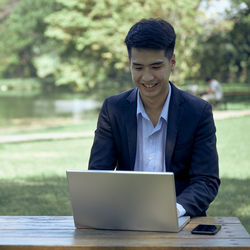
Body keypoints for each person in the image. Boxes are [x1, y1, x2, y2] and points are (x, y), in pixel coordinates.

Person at [88, 18, 220, 217]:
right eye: (138, 67)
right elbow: (98, 175)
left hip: (180, 220)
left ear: (172, 62)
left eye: (156, 67)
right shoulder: (113, 109)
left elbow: (206, 180)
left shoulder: (198, 112)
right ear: (130, 64)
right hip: (125, 219)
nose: (147, 77)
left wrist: (173, 210)